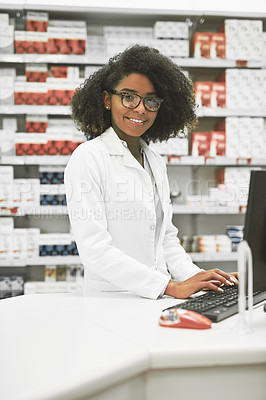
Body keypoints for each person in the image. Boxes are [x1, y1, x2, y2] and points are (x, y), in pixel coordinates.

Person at [64, 45, 238, 300]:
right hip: (111, 301)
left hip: (154, 298)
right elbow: (95, 251)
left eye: (151, 100)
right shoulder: (89, 157)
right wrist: (169, 286)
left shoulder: (154, 161)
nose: (141, 108)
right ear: (106, 100)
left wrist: (201, 281)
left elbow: (166, 239)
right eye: (128, 96)